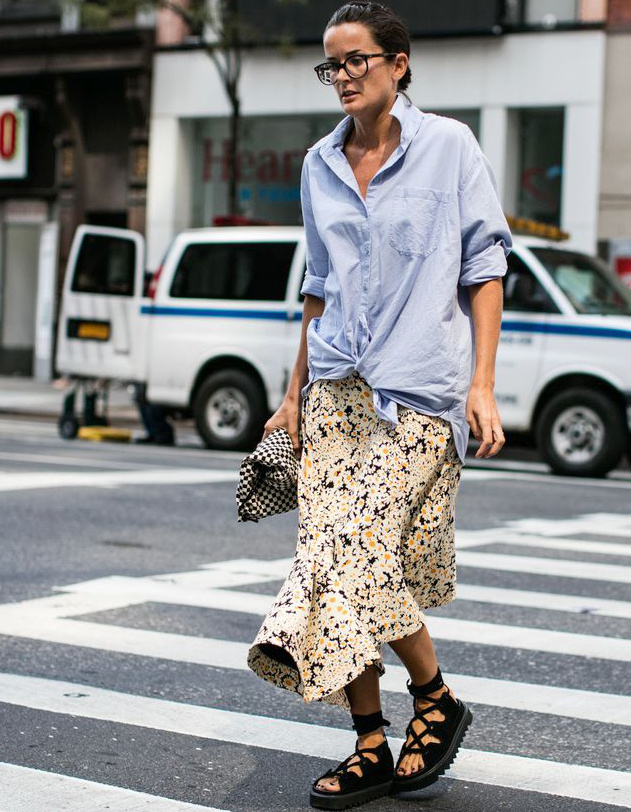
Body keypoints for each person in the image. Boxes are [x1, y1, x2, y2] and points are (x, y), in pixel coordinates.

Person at [246, 2, 512, 808]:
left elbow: (484, 265)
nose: (342, 76)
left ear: (398, 63)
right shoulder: (317, 166)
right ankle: (368, 740)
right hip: (333, 396)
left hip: (414, 396)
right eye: (331, 65)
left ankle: (434, 698)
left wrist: (481, 383)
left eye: (356, 59)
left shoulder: (449, 147)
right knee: (327, 569)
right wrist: (290, 398)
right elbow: (317, 288)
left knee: (357, 552)